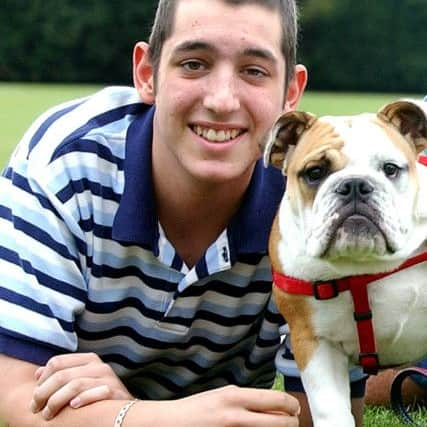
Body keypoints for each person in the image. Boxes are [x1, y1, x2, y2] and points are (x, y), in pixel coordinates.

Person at [0, 1, 369, 426]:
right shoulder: (67, 162)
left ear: (290, 92)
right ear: (146, 73)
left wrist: (122, 414)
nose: (221, 100)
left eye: (254, 71)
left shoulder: (314, 197)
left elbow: (327, 413)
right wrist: (149, 418)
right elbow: (17, 390)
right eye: (194, 64)